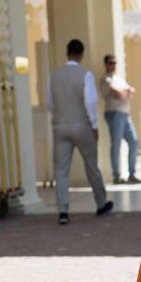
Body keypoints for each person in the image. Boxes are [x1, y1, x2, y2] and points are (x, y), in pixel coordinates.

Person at [47, 39, 113, 225]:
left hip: (60, 126)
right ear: (81, 54)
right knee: (91, 165)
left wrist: (61, 116)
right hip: (82, 126)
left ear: (67, 53)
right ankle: (101, 204)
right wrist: (94, 126)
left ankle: (63, 211)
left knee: (61, 170)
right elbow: (90, 102)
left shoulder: (54, 76)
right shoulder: (85, 75)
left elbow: (50, 103)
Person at [100, 55, 141, 185]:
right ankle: (116, 176)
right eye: (110, 63)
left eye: (115, 62)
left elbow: (132, 91)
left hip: (125, 114)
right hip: (115, 114)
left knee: (134, 142)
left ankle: (132, 174)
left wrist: (126, 91)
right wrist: (126, 92)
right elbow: (118, 94)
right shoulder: (106, 79)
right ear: (106, 64)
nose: (113, 65)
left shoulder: (118, 78)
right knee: (116, 144)